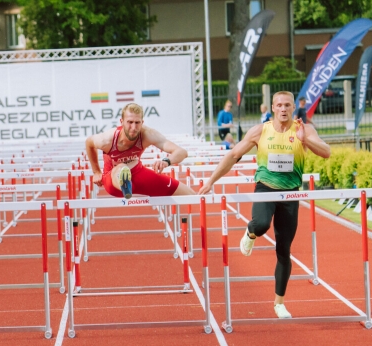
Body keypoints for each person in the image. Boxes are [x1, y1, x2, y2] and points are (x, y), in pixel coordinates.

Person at [199, 91, 331, 319]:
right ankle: (250, 233)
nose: (283, 109)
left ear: (292, 108)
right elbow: (233, 155)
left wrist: (304, 139)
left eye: (287, 105)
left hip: (290, 194)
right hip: (265, 188)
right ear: (272, 107)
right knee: (260, 224)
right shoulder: (261, 130)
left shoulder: (304, 129)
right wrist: (211, 181)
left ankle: (279, 303)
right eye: (279, 105)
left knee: (284, 250)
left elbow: (326, 152)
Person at [86, 103, 193, 199]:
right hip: (112, 180)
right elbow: (89, 143)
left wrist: (166, 161)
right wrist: (96, 172)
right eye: (130, 122)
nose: (133, 127)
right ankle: (125, 184)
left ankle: (128, 185)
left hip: (138, 173)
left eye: (137, 123)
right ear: (121, 122)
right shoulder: (107, 139)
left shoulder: (148, 134)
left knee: (191, 194)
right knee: (121, 168)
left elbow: (182, 152)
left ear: (142, 122)